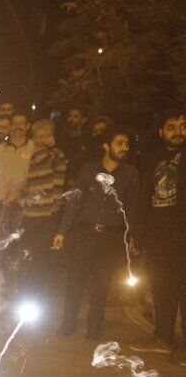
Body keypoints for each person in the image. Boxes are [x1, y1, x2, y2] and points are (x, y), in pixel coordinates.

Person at [56, 127, 140, 339]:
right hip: (84, 233)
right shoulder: (88, 170)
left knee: (102, 284)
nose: (124, 147)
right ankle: (67, 325)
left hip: (111, 237)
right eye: (119, 143)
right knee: (75, 280)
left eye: (127, 144)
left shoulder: (130, 174)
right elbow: (75, 202)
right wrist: (62, 231)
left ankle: (94, 330)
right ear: (107, 145)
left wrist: (133, 236)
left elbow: (132, 208)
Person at [130, 110, 186, 356]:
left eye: (183, 126)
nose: (178, 132)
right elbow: (144, 197)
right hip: (157, 234)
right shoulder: (153, 159)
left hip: (182, 234)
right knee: (161, 286)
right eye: (172, 127)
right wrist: (137, 234)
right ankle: (163, 338)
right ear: (161, 132)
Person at [16, 119, 68, 300]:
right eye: (38, 136)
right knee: (26, 256)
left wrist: (55, 208)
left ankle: (34, 296)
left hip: (47, 216)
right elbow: (21, 182)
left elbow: (59, 185)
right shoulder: (28, 156)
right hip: (29, 215)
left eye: (46, 135)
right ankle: (23, 293)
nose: (41, 139)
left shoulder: (56, 156)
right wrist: (23, 202)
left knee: (40, 260)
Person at [0, 113, 35, 246]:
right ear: (10, 127)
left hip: (23, 207)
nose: (18, 126)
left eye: (22, 123)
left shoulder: (35, 149)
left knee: (15, 245)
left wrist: (19, 195)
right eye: (15, 123)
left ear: (28, 126)